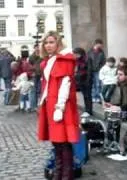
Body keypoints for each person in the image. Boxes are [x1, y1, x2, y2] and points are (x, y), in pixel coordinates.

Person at [38, 31, 79, 180]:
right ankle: (58, 173)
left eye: (51, 42)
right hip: (51, 104)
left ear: (58, 43)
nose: (48, 45)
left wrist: (59, 107)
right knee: (57, 142)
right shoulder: (49, 61)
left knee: (64, 143)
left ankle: (66, 176)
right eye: (46, 43)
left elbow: (65, 85)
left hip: (61, 106)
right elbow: (47, 86)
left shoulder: (64, 60)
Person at [73, 47, 92, 116]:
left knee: (88, 96)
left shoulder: (87, 59)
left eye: (76, 54)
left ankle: (89, 111)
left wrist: (88, 80)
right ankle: (87, 110)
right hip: (80, 80)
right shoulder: (77, 60)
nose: (75, 56)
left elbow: (89, 71)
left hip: (86, 80)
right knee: (85, 96)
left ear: (80, 53)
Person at [87, 39, 105, 103]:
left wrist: (101, 68)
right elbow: (88, 61)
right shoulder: (90, 51)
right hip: (91, 70)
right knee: (93, 84)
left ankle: (98, 97)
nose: (101, 46)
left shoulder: (101, 52)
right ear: (97, 44)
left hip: (98, 70)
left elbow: (103, 61)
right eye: (101, 44)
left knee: (98, 84)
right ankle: (93, 96)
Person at [29, 44, 42, 112]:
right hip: (34, 75)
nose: (37, 49)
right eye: (36, 48)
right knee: (34, 90)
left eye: (38, 47)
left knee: (40, 90)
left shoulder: (42, 55)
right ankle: (34, 105)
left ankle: (40, 105)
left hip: (41, 74)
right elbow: (30, 65)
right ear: (34, 48)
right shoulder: (32, 56)